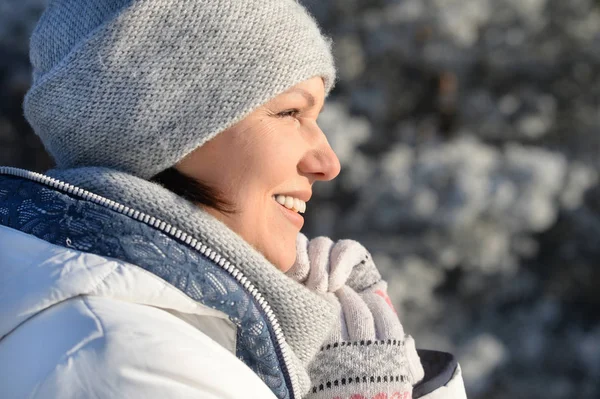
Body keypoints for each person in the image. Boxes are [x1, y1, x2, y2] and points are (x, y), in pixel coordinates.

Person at [0, 1, 466, 398]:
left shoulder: (189, 333)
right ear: (164, 127)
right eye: (290, 112)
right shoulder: (130, 362)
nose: (328, 162)